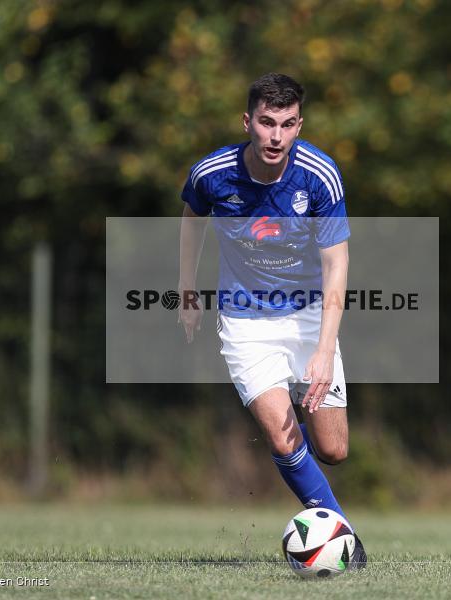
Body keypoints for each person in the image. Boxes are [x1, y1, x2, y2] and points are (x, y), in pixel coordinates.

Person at [177, 73, 365, 568]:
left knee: (333, 449)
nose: (276, 135)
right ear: (248, 122)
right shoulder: (212, 174)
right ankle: (344, 539)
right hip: (246, 322)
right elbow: (192, 217)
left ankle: (309, 469)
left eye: (286, 124)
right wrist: (187, 286)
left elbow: (337, 263)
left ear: (299, 125)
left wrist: (323, 350)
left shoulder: (319, 175)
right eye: (266, 122)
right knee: (283, 437)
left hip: (309, 318)